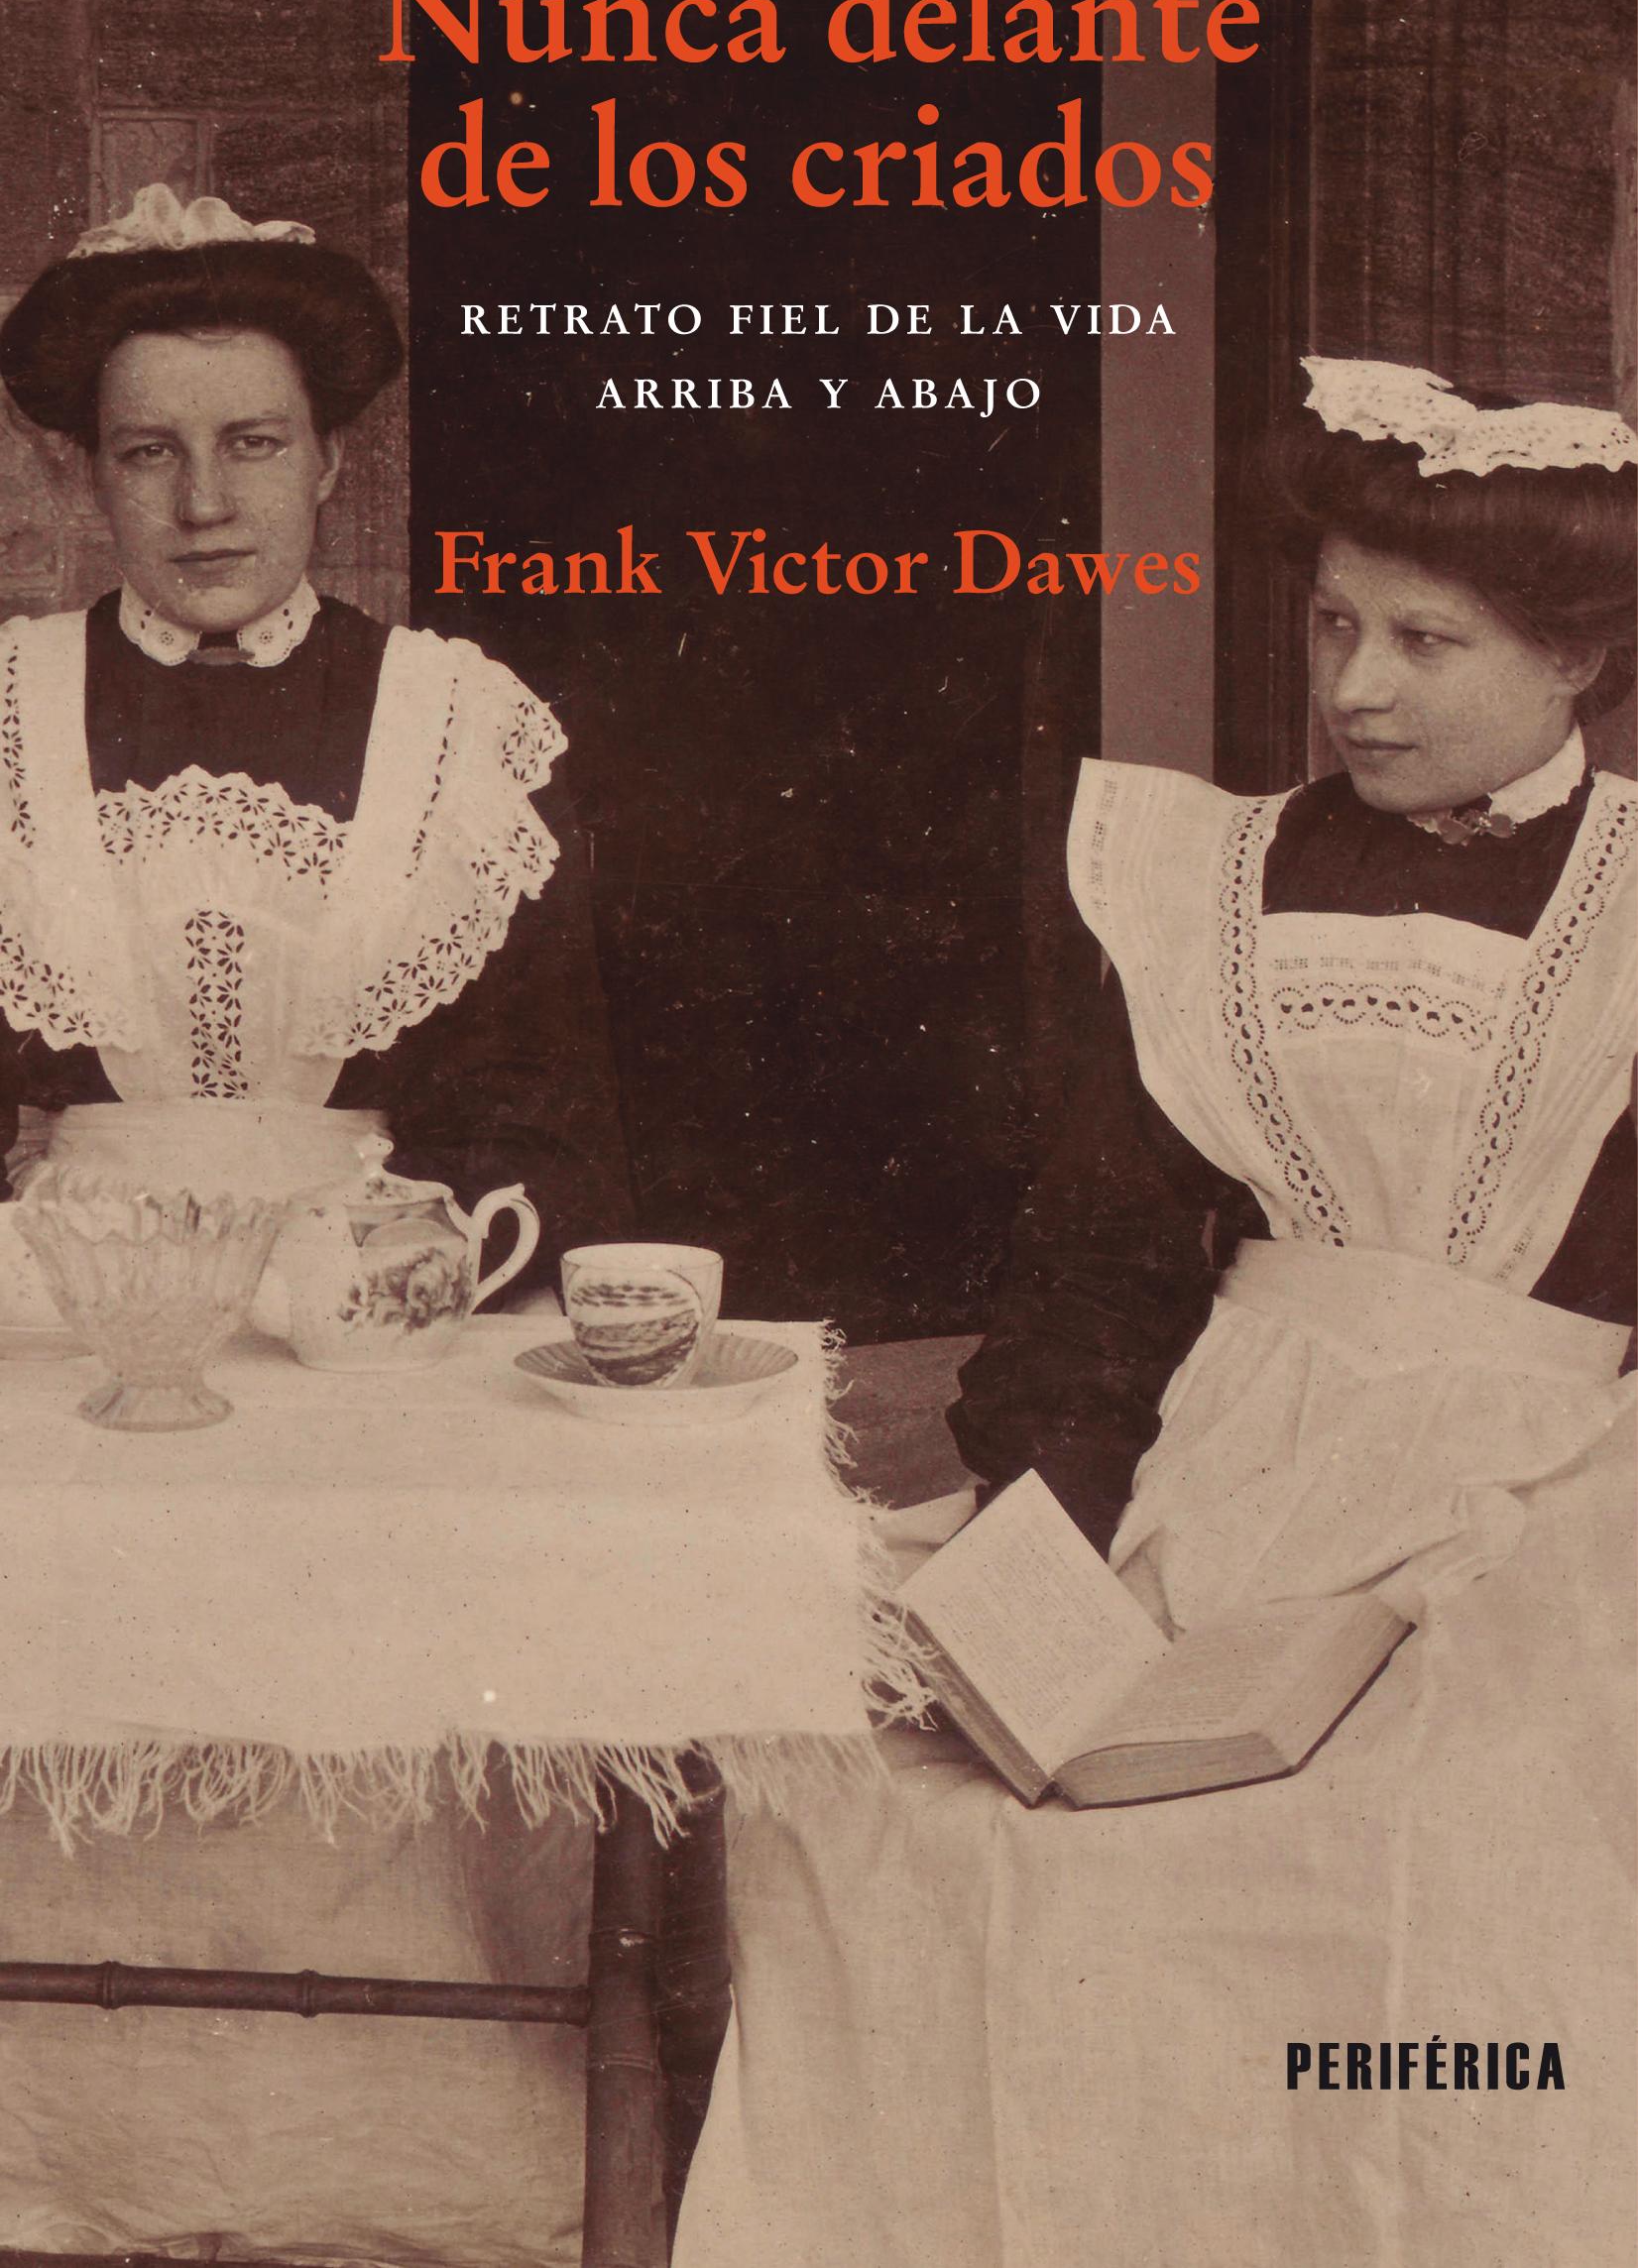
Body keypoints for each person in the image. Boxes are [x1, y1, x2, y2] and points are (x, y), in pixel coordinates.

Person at [674, 360, 1638, 2268]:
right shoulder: (1209, 879)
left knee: (1440, 1845)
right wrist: (1051, 1544)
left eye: (1424, 640)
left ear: (1574, 661)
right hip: (1224, 1470)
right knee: (875, 1797)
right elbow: (1104, 1258)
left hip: (1543, 1499)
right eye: (1334, 623)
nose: (1355, 685)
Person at [0, 183, 631, 1280]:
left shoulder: (461, 723)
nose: (204, 504)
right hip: (62, 1304)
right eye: (149, 451)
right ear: (86, 469)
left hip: (368, 1310)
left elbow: (544, 1128)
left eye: (253, 443)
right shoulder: (11, 701)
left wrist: (370, 1272)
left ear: (328, 459)